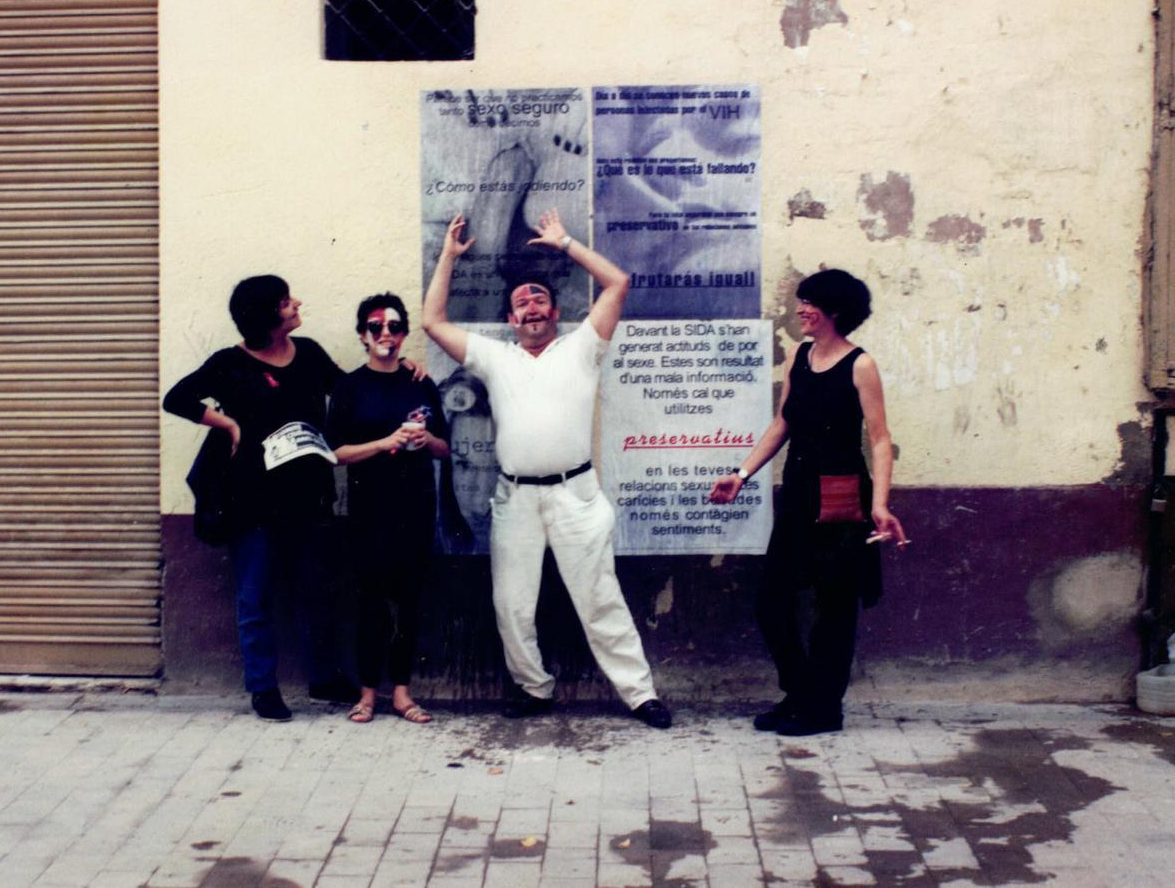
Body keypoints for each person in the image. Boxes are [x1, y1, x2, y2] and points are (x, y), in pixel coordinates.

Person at [422, 209, 672, 729]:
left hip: (575, 495)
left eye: (538, 300)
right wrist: (447, 255)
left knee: (599, 599)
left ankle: (640, 694)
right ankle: (534, 688)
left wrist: (565, 243)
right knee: (511, 604)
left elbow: (618, 283)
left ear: (555, 311)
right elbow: (433, 323)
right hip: (516, 500)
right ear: (511, 320)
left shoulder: (582, 348)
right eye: (521, 303)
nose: (531, 307)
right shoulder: (495, 358)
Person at [709, 269, 907, 737]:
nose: (800, 309)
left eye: (810, 302)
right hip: (799, 493)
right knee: (771, 601)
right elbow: (783, 423)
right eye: (801, 300)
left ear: (835, 310)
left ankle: (824, 710)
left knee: (834, 607)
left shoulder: (860, 364)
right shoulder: (799, 356)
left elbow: (879, 439)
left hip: (842, 497)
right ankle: (801, 693)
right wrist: (741, 474)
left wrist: (880, 504)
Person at [162, 275, 362, 721]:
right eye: (287, 301)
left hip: (309, 494)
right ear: (267, 314)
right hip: (251, 499)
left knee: (316, 589)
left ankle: (324, 679)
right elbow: (176, 399)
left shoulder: (308, 352)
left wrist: (402, 369)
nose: (297, 304)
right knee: (255, 595)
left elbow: (350, 390)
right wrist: (228, 424)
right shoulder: (229, 363)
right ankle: (263, 688)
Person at [325, 293, 451, 725]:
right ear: (362, 335)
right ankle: (366, 695)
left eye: (394, 327)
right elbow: (334, 453)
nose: (386, 334)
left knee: (409, 602)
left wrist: (426, 440)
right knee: (370, 604)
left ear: (404, 334)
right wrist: (384, 443)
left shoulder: (420, 383)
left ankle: (401, 694)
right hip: (369, 512)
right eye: (376, 327)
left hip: (415, 508)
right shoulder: (349, 387)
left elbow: (444, 448)